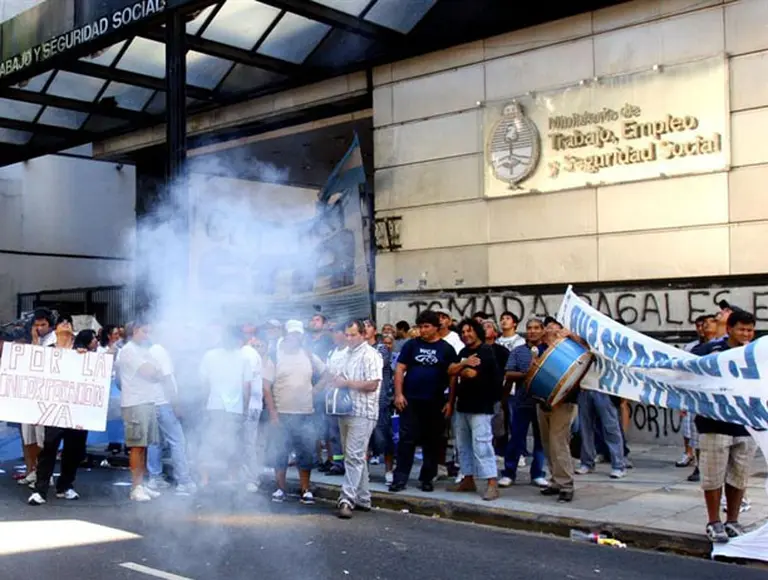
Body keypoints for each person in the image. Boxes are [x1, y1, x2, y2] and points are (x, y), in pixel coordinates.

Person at [693, 310, 758, 543]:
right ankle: (714, 521)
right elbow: (691, 364)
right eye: (741, 329)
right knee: (713, 476)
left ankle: (732, 520)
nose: (746, 334)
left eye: (750, 330)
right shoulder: (711, 350)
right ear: (729, 329)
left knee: (738, 477)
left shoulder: (755, 354)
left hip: (746, 425)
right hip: (714, 423)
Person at [389, 311, 459, 493]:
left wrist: (450, 402)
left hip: (435, 402)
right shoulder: (411, 345)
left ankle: (427, 478)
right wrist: (398, 394)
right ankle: (400, 478)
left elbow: (452, 377)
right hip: (410, 400)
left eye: (427, 326)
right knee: (406, 441)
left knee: (432, 442)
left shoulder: (446, 349)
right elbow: (399, 369)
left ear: (436, 327)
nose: (423, 330)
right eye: (420, 327)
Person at [263, 320, 329, 504]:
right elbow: (266, 387)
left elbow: (326, 374)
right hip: (282, 413)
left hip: (305, 413)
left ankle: (305, 489)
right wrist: (273, 413)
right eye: (292, 334)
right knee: (280, 452)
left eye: (298, 334)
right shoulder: (275, 356)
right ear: (286, 335)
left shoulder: (308, 355)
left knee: (305, 453)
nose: (295, 337)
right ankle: (280, 488)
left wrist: (314, 391)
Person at [28, 322, 91, 505]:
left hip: (76, 410)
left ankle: (65, 486)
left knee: (74, 450)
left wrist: (85, 357)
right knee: (49, 448)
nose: (64, 326)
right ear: (56, 332)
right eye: (61, 325)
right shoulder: (47, 352)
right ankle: (41, 489)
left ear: (72, 332)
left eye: (68, 324)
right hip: (53, 410)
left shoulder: (81, 352)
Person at [446, 319, 501, 501]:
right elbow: (451, 370)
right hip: (463, 405)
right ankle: (468, 478)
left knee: (482, 444)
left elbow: (471, 374)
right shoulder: (463, 352)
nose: (466, 335)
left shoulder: (485, 351)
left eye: (469, 331)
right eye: (463, 332)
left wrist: (461, 369)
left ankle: (492, 483)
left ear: (477, 332)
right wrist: (464, 364)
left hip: (481, 406)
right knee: (463, 444)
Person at [335, 320, 382, 519]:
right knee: (354, 455)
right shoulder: (344, 354)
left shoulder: (371, 355)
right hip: (344, 409)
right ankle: (363, 497)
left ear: (363, 334)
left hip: (363, 411)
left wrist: (346, 383)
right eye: (347, 335)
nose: (349, 338)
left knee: (354, 455)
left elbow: (372, 384)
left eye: (353, 335)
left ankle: (346, 499)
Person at [198, 325, 253, 489]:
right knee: (233, 444)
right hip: (234, 408)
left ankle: (205, 479)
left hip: (214, 406)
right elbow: (247, 387)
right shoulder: (243, 358)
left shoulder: (210, 355)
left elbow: (204, 384)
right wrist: (246, 407)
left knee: (209, 442)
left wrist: (203, 403)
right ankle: (231, 478)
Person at [117, 317, 164, 502]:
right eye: (145, 331)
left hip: (147, 401)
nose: (147, 335)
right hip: (135, 402)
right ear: (135, 330)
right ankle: (136, 487)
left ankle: (141, 484)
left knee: (144, 445)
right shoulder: (128, 351)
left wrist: (154, 371)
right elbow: (151, 372)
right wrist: (154, 371)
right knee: (137, 446)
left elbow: (157, 372)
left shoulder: (143, 350)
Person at [499, 318, 548, 488]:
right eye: (529, 328)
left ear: (543, 330)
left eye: (536, 328)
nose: (532, 331)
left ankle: (538, 473)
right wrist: (527, 374)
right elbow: (509, 373)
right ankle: (509, 472)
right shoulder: (518, 351)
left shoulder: (550, 350)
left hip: (542, 402)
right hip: (522, 401)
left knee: (541, 440)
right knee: (517, 438)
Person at [537, 317, 581, 503]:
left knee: (559, 443)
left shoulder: (570, 349)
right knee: (548, 443)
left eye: (555, 328)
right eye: (548, 328)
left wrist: (571, 335)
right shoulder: (540, 349)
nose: (550, 331)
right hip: (543, 401)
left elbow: (588, 351)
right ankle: (555, 480)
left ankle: (566, 484)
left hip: (563, 403)